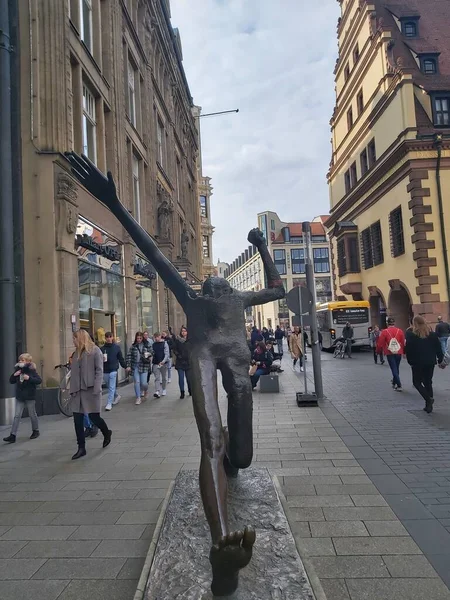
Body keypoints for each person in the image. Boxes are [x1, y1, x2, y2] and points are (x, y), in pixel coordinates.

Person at [66, 152, 286, 596]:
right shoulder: (193, 297)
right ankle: (220, 545)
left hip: (234, 364)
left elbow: (279, 289)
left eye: (217, 280)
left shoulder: (236, 299)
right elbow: (148, 246)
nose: (212, 281)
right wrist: (114, 204)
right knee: (211, 439)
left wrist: (262, 246)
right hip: (205, 355)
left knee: (240, 456)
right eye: (210, 281)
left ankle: (232, 469)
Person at [69, 329, 112, 459]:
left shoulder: (95, 351)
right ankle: (81, 447)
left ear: (81, 338)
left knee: (94, 417)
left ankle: (106, 432)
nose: (73, 341)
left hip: (91, 389)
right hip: (78, 390)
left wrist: (97, 388)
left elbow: (99, 370)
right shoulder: (76, 353)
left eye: (75, 338)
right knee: (77, 420)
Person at [406, 316, 443, 413]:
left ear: (414, 324)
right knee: (428, 381)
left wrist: (410, 361)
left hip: (417, 362)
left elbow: (408, 349)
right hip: (430, 362)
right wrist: (440, 359)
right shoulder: (432, 335)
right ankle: (429, 405)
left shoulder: (411, 335)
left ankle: (428, 399)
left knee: (417, 382)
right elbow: (438, 348)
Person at [3, 353, 41, 443]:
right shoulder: (18, 370)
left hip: (30, 396)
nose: (20, 361)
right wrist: (14, 375)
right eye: (20, 360)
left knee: (32, 414)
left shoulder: (31, 370)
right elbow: (11, 381)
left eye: (22, 360)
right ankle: (13, 435)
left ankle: (35, 430)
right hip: (20, 397)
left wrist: (29, 378)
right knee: (17, 416)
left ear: (28, 361)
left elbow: (39, 380)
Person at [377, 316, 406, 391]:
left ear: (387, 323)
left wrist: (378, 351)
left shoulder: (384, 332)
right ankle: (394, 382)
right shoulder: (400, 331)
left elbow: (380, 343)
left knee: (393, 368)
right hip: (398, 351)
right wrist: (404, 352)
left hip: (389, 352)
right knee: (396, 367)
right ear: (394, 323)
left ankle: (399, 385)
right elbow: (403, 342)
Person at [100, 332, 126, 411]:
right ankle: (116, 396)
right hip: (105, 370)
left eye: (110, 337)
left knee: (111, 387)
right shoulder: (101, 349)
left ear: (112, 337)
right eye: (107, 337)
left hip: (113, 370)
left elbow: (120, 358)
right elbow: (98, 360)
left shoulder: (116, 348)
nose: (108, 338)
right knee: (110, 387)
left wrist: (125, 366)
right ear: (105, 338)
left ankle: (109, 403)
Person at [127, 332, 152, 405]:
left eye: (140, 338)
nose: (139, 340)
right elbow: (129, 356)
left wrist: (148, 354)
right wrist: (128, 365)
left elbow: (152, 352)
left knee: (144, 383)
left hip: (144, 365)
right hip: (135, 366)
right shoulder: (133, 346)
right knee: (137, 382)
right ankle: (138, 397)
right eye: (137, 338)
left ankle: (146, 390)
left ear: (142, 338)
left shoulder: (147, 345)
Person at [172, 326, 191, 399]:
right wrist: (178, 355)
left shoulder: (189, 340)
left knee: (189, 378)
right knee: (181, 378)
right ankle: (182, 392)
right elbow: (174, 348)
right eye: (182, 331)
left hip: (188, 361)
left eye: (185, 331)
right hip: (180, 361)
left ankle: (190, 389)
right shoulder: (177, 340)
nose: (183, 332)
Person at [152, 332, 170, 398]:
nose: (156, 338)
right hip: (155, 363)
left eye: (157, 337)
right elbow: (152, 352)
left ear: (160, 336)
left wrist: (163, 361)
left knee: (164, 377)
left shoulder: (164, 344)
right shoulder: (153, 344)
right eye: (155, 337)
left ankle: (164, 389)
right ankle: (157, 391)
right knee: (157, 378)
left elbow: (167, 354)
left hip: (163, 363)